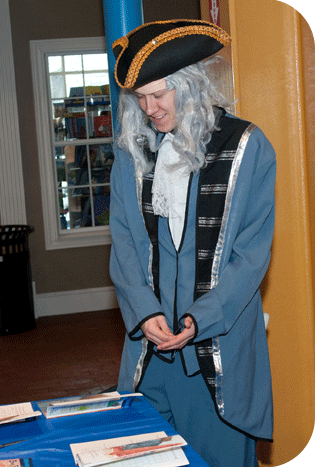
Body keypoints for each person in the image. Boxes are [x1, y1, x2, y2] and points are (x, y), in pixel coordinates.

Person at [109, 20, 275, 467]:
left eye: (159, 95)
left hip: (214, 349)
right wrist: (143, 311)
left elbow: (251, 256)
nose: (149, 108)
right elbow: (124, 240)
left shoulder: (246, 147)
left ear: (191, 85)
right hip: (149, 349)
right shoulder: (131, 150)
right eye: (140, 98)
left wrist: (201, 318)